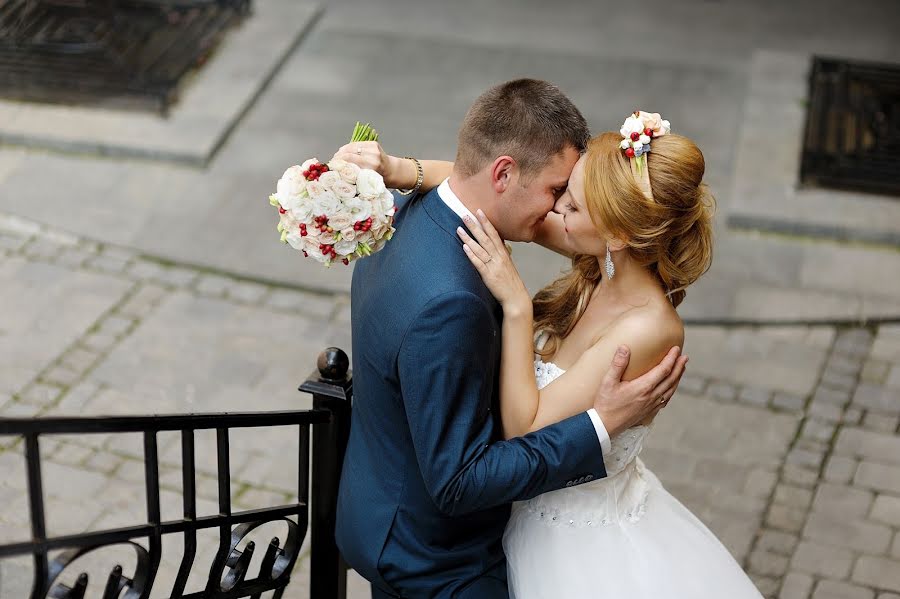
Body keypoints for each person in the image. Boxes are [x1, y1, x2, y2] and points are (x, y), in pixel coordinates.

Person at [338, 100, 764, 597]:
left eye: (571, 201)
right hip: (515, 516)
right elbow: (483, 189)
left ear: (619, 232)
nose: (555, 210)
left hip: (582, 541)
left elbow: (523, 428)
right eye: (561, 192)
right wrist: (399, 170)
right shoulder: (600, 255)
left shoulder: (648, 328)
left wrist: (517, 307)